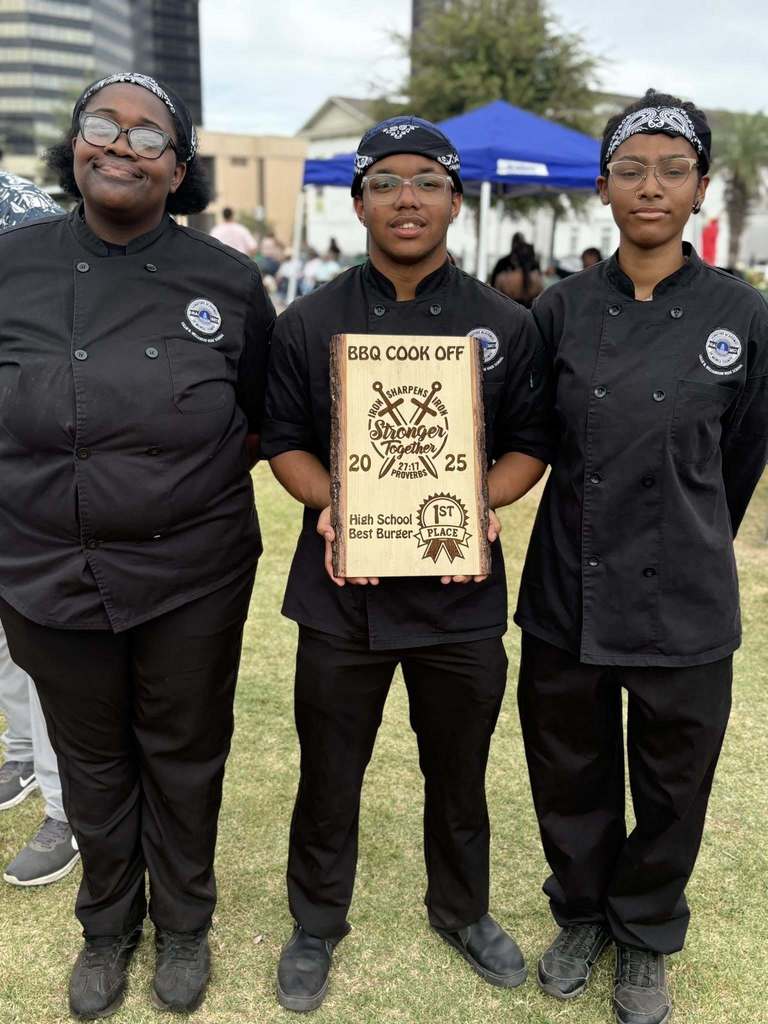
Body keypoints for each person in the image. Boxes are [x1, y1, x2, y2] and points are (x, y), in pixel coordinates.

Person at [262, 115, 555, 1013]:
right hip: (339, 597)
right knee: (329, 769)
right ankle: (317, 921)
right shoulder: (307, 321)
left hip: (459, 598)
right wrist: (335, 503)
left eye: (426, 182)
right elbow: (284, 444)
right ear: (358, 202)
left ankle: (461, 909)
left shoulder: (506, 323)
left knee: (459, 770)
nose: (406, 199)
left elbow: (530, 446)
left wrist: (480, 503)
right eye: (385, 182)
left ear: (455, 203)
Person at [0, 71, 274, 1018]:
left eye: (146, 136)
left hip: (191, 570)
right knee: (93, 761)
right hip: (47, 571)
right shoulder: (13, 263)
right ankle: (108, 928)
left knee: (186, 753)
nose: (119, 145)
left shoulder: (231, 283)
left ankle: (186, 925)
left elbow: (257, 419)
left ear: (180, 169)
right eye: (100, 126)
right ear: (74, 146)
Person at [514, 89, 768, 1024]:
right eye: (630, 169)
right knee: (568, 767)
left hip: (687, 596)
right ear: (605, 187)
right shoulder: (562, 310)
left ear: (700, 187)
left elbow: (739, 456)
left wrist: (689, 530)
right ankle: (580, 911)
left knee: (673, 782)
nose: (649, 186)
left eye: (670, 169)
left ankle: (647, 932)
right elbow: (529, 439)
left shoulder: (741, 313)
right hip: (566, 588)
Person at [489, 231, 543, 307]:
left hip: (515, 307)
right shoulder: (503, 263)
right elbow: (494, 287)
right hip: (511, 306)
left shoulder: (533, 265)